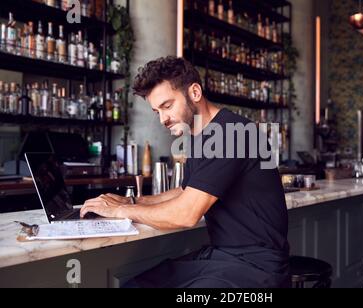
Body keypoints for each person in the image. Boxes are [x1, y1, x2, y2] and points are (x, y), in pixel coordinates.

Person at [81, 56, 289, 288]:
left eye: (167, 106)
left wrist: (121, 210)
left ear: (195, 92)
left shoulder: (233, 133)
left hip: (257, 268)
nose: (163, 119)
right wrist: (133, 200)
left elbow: (186, 214)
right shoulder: (202, 137)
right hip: (223, 258)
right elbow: (184, 192)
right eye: (157, 111)